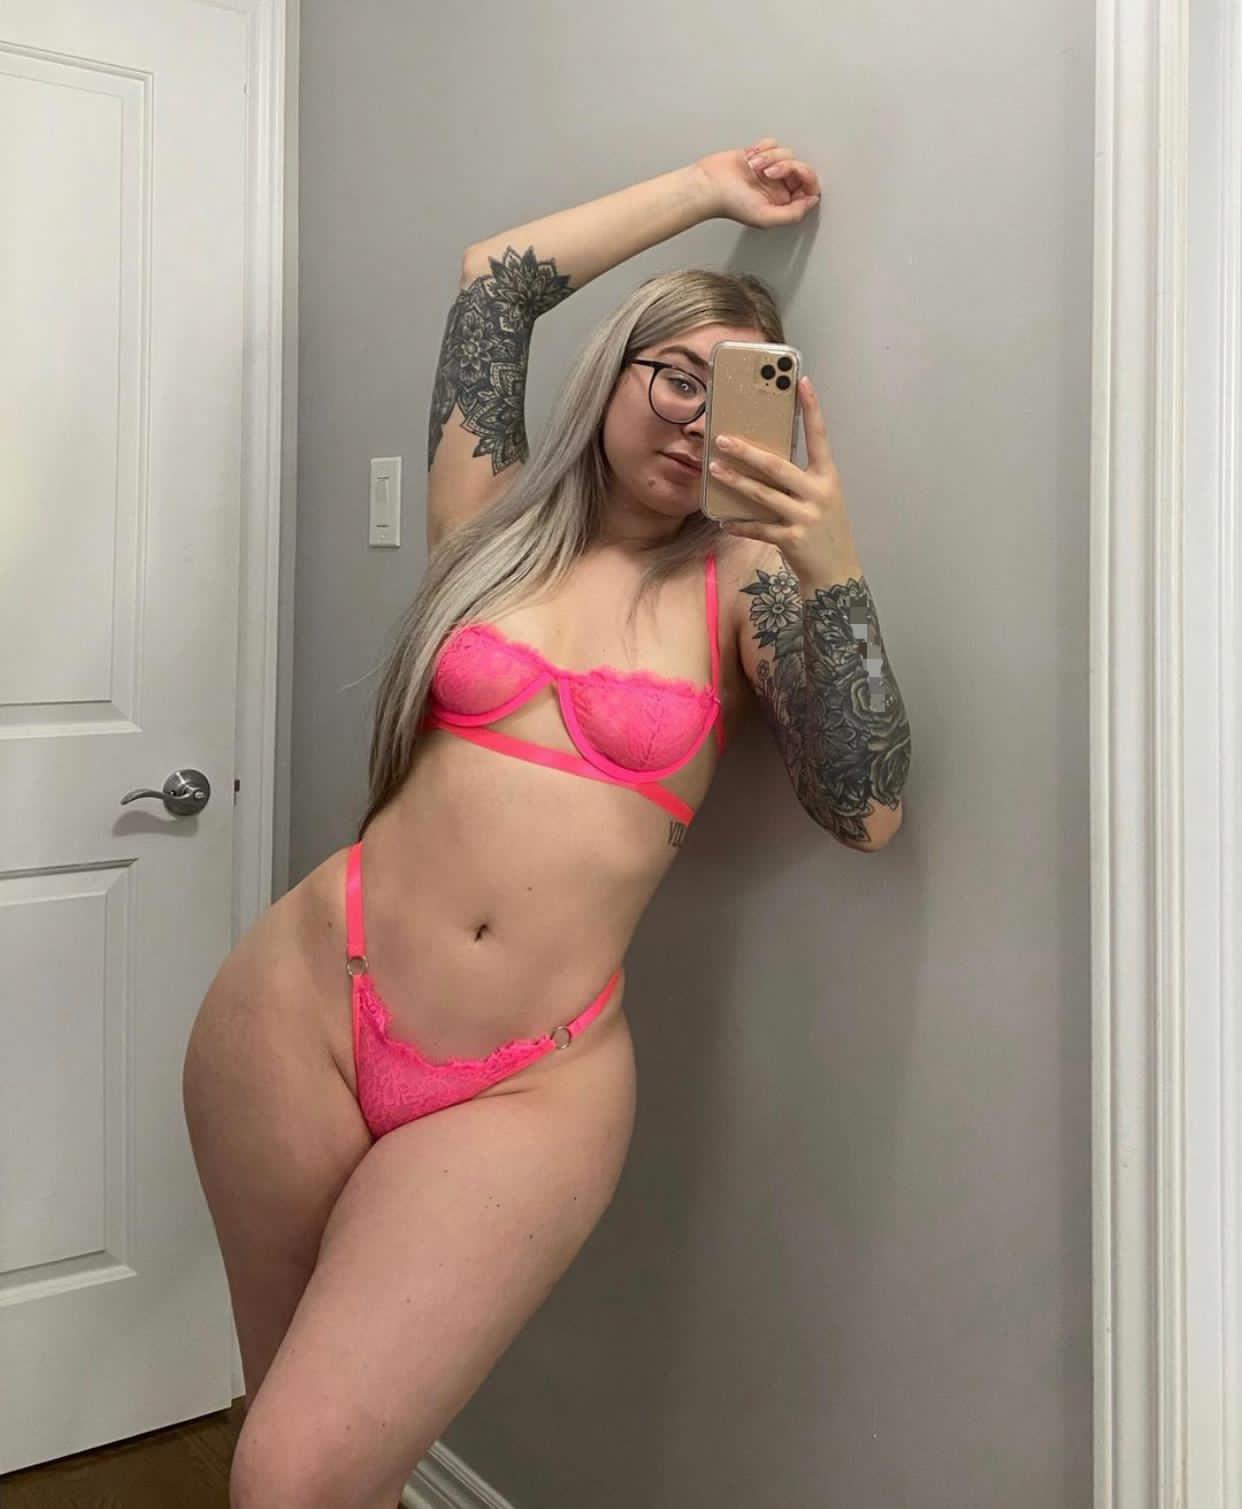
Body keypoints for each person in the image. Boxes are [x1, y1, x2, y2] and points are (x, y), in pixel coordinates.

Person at [182, 136, 910, 1509]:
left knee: (289, 1477)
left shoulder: (745, 588)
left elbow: (865, 808)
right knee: (309, 1457)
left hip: (528, 1082)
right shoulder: (492, 522)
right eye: (676, 374)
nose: (696, 418)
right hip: (301, 1007)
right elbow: (493, 287)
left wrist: (832, 561)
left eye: (736, 395)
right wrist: (708, 189)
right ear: (618, 372)